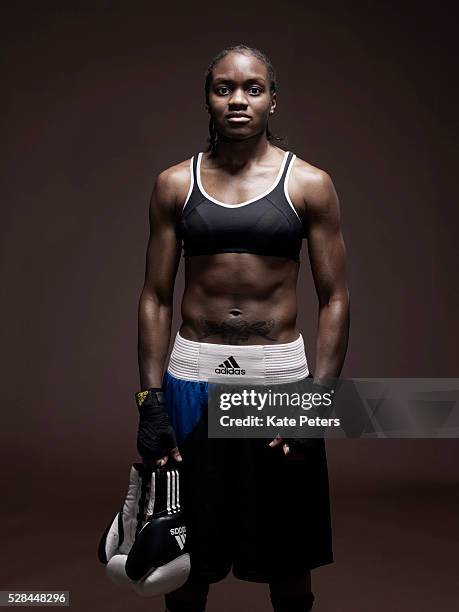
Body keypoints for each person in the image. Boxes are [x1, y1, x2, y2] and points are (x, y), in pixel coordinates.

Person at [136, 44, 350, 612]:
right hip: (193, 382)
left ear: (272, 101)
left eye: (253, 89)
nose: (238, 100)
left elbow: (335, 299)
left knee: (288, 563)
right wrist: (149, 399)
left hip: (277, 383)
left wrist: (317, 404)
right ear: (208, 99)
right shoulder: (173, 184)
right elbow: (157, 296)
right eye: (224, 88)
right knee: (185, 563)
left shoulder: (309, 184)